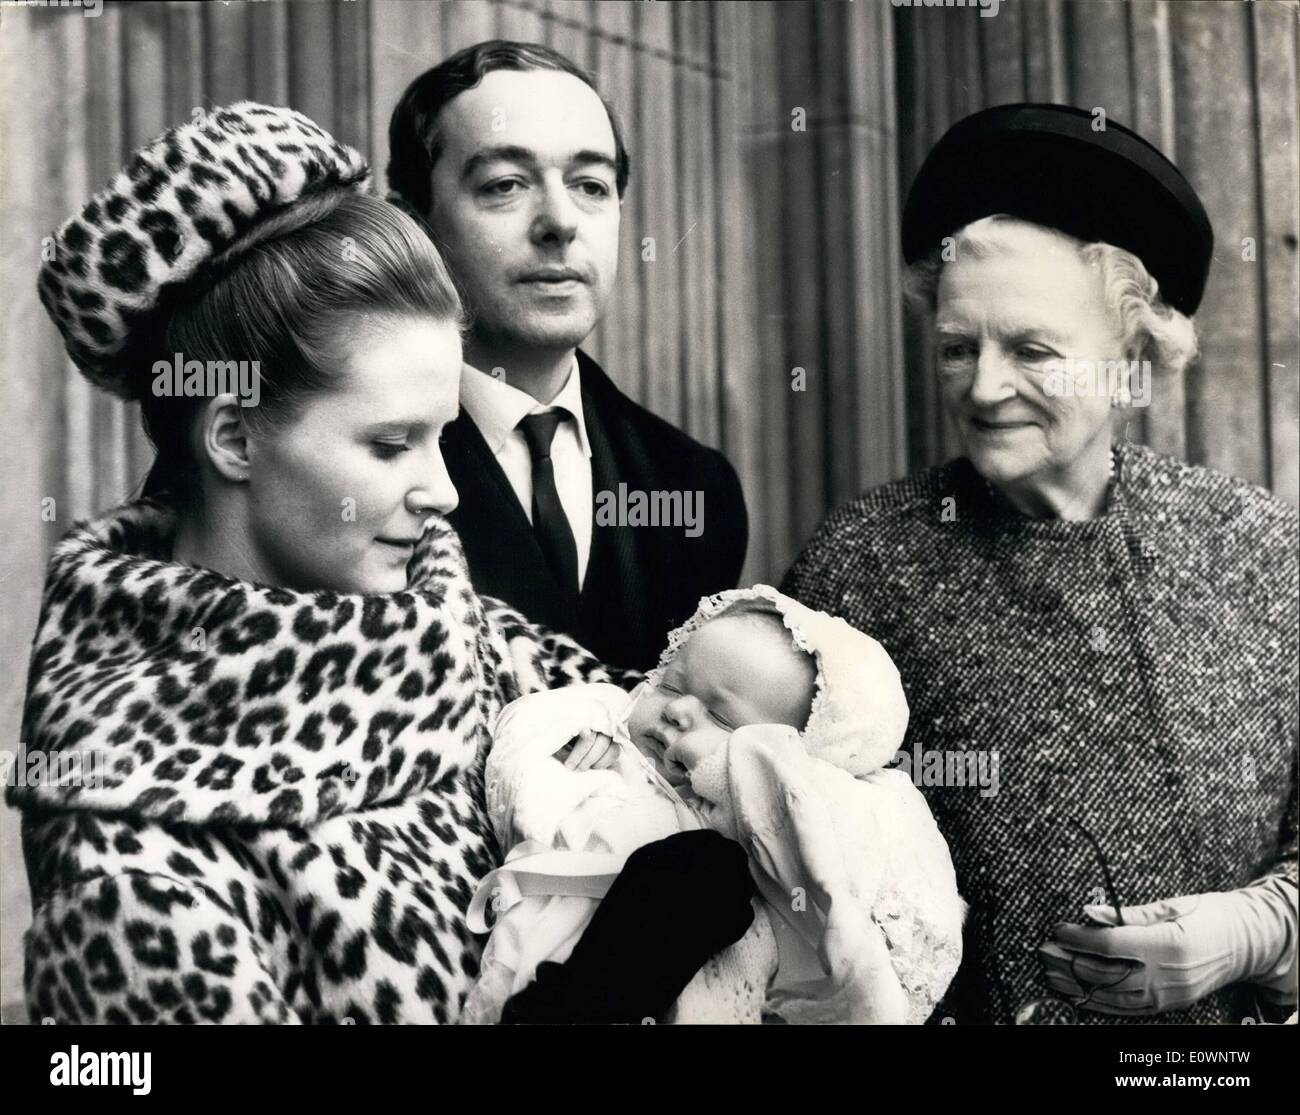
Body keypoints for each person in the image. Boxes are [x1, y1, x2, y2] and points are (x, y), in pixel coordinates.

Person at [11, 102, 753, 1025]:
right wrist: (604, 988)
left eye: (441, 437)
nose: (442, 491)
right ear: (235, 435)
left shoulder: (471, 635)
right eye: (391, 443)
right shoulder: (129, 858)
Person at [783, 104, 1298, 1024]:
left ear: (1133, 359)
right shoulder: (862, 569)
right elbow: (779, 863)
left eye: (1032, 350)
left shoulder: (1256, 546)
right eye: (956, 348)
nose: (982, 388)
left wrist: (1262, 926)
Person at [386, 40, 748, 671]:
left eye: (590, 185)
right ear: (415, 224)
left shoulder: (693, 486)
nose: (560, 220)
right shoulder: (351, 463)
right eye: (504, 185)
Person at [460, 587, 964, 1024]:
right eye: (672, 685)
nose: (677, 711)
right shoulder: (605, 736)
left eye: (721, 719)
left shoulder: (764, 832)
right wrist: (574, 735)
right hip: (536, 973)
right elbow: (520, 772)